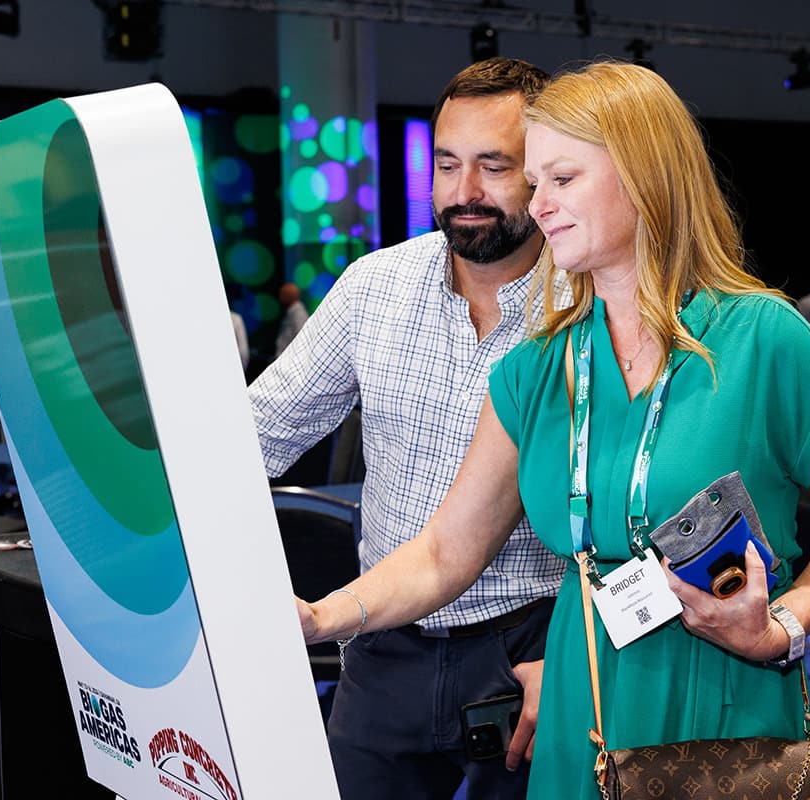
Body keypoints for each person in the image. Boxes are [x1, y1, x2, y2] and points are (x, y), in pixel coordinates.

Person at [297, 61, 810, 799]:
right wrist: (321, 618)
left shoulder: (764, 338)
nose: (537, 203)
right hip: (579, 709)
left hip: (723, 703)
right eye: (536, 180)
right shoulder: (536, 369)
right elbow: (443, 554)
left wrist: (782, 627)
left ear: (644, 177)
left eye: (562, 178)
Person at [248, 58, 562, 799]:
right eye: (447, 163)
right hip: (384, 642)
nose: (464, 193)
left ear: (544, 170)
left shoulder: (587, 305)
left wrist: (582, 655)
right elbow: (258, 433)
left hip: (533, 650)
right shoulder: (376, 286)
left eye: (494, 165)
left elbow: (643, 507)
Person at [273, 282, 310, 356]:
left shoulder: (299, 315)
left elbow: (302, 341)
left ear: (289, 296)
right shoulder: (291, 312)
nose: (280, 297)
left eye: (282, 294)